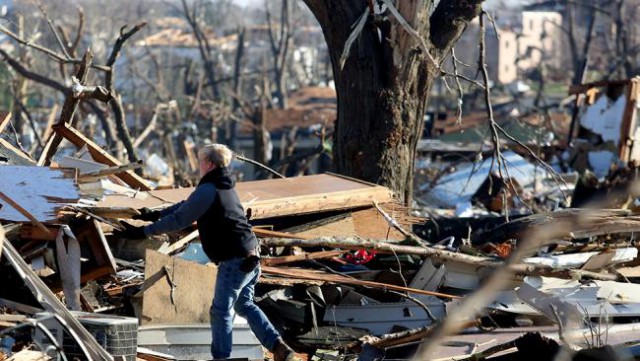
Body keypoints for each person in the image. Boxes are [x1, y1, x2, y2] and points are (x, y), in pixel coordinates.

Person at [117, 144, 298, 361]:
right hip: (250, 254)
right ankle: (279, 348)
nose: (199, 166)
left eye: (201, 161)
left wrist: (143, 232)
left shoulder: (209, 189)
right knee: (245, 305)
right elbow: (185, 205)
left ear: (209, 164)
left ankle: (221, 358)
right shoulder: (223, 185)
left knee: (220, 311)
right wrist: (152, 215)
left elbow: (180, 219)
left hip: (235, 259)